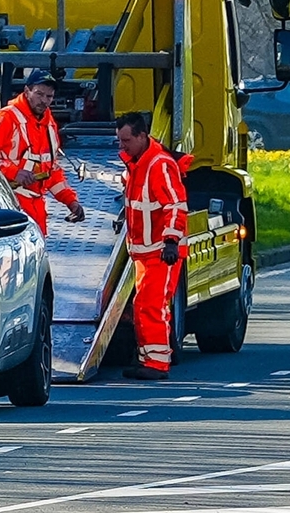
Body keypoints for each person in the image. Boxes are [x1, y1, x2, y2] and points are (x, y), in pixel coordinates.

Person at [115, 111, 191, 381]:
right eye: (119, 141)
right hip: (146, 251)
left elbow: (175, 204)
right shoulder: (138, 162)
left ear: (142, 136)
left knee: (151, 304)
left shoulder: (158, 164)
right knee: (145, 305)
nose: (122, 146)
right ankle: (151, 358)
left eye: (126, 140)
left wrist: (170, 240)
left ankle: (157, 364)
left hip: (161, 250)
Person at [0, 69, 85, 234]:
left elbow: (50, 170)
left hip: (35, 209)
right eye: (39, 94)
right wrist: (14, 172)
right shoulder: (6, 118)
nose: (44, 101)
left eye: (49, 97)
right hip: (8, 206)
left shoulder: (49, 124)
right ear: (27, 92)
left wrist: (70, 201)